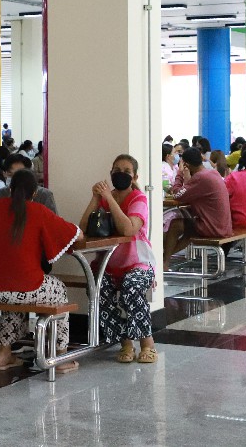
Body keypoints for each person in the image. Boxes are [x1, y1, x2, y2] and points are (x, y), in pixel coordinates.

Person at [0, 170, 80, 373]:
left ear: (10, 189)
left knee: (13, 298)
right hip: (25, 286)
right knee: (59, 290)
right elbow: (74, 233)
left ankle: (3, 354)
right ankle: (60, 355)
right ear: (35, 193)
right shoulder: (38, 210)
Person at [79, 155, 157, 364]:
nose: (120, 174)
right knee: (98, 289)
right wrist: (96, 199)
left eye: (126, 171)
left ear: (135, 177)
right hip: (108, 265)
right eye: (116, 170)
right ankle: (125, 342)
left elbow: (128, 229)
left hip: (139, 264)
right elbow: (83, 229)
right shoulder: (104, 199)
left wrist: (110, 199)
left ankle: (147, 343)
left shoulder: (138, 199)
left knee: (131, 287)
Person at [165, 148, 232, 271]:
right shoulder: (212, 173)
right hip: (222, 226)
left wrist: (179, 174)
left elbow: (177, 195)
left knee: (176, 225)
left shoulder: (201, 177)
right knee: (188, 230)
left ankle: (164, 260)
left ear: (186, 164)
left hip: (212, 228)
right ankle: (164, 258)